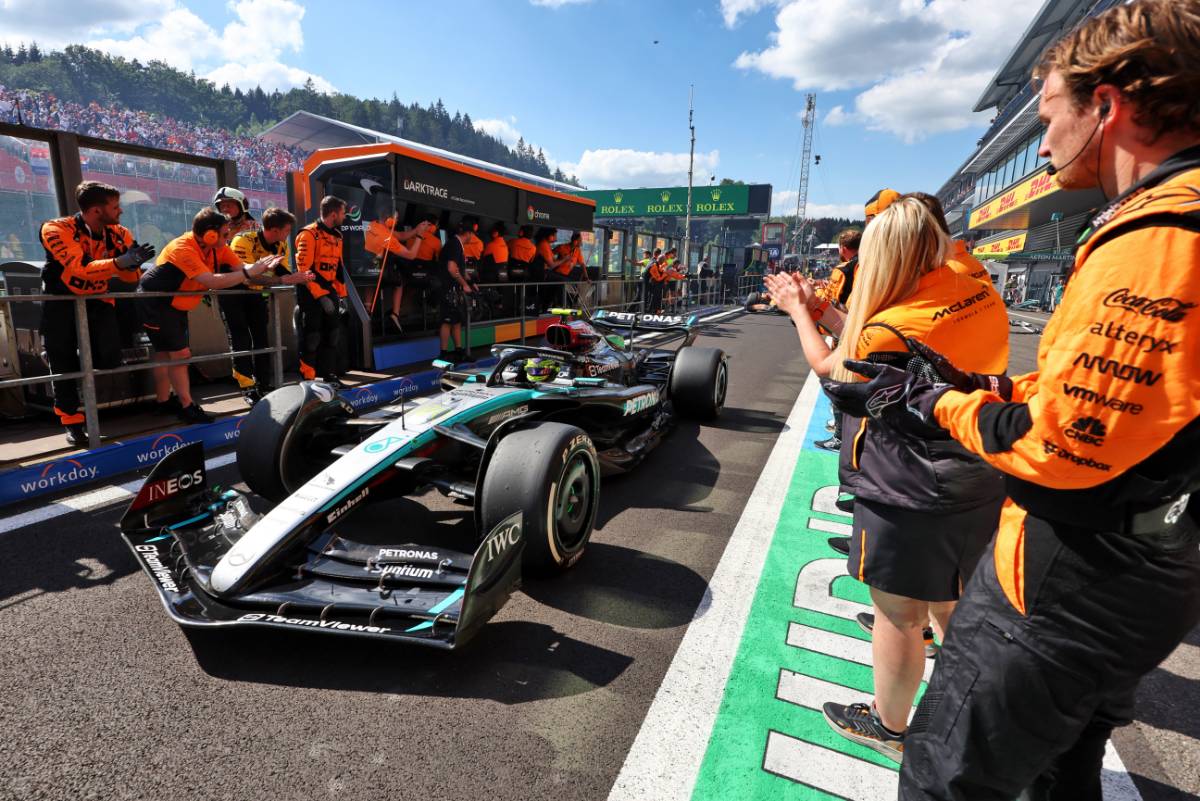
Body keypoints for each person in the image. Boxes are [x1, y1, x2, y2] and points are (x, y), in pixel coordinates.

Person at [823, 2, 1200, 796]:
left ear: (1109, 105)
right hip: (1155, 555)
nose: (1046, 141)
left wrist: (934, 402)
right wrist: (986, 383)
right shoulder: (1157, 221)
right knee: (1062, 770)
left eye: (1050, 115)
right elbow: (1110, 390)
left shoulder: (1159, 235)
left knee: (943, 774)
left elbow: (1058, 438)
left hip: (1076, 565)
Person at [766, 197, 1009, 764]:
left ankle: (889, 724)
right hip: (977, 466)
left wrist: (801, 312)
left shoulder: (888, 327)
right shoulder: (972, 282)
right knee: (953, 605)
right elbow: (895, 346)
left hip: (911, 480)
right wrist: (826, 310)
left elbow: (835, 368)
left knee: (900, 613)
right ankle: (969, 716)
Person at [139, 209, 285, 423]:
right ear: (209, 235)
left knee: (165, 354)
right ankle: (186, 406)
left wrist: (258, 268)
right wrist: (250, 272)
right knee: (179, 355)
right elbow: (213, 281)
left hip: (176, 304)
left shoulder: (218, 247)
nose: (228, 238)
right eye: (226, 234)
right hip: (157, 304)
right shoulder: (183, 248)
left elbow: (240, 267)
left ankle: (163, 402)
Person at [39, 181, 155, 446]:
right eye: (115, 207)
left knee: (110, 358)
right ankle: (72, 423)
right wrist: (119, 263)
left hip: (98, 299)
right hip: (60, 301)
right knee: (62, 364)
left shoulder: (120, 232)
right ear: (95, 211)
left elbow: (132, 276)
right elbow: (79, 267)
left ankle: (67, 358)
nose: (120, 212)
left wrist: (129, 264)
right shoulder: (56, 228)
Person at [227, 207, 313, 403]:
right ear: (274, 230)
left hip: (257, 295)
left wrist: (298, 278)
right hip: (232, 294)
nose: (288, 235)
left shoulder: (281, 246)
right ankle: (247, 387)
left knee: (261, 338)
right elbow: (246, 278)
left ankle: (264, 384)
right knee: (240, 339)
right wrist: (283, 280)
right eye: (286, 231)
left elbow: (282, 273)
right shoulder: (243, 240)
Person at [295, 195, 350, 386]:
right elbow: (304, 271)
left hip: (330, 290)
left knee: (333, 333)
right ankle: (308, 378)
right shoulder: (308, 234)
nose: (344, 217)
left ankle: (329, 375)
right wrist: (320, 297)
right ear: (333, 214)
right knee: (312, 336)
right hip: (309, 293)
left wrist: (342, 295)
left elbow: (339, 268)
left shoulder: (338, 236)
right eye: (343, 213)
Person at [378, 216, 435, 333]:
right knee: (400, 282)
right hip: (389, 274)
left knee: (370, 281)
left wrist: (416, 230)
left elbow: (401, 236)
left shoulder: (377, 228)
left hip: (372, 272)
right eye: (395, 218)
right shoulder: (437, 241)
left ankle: (369, 308)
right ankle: (396, 313)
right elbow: (411, 254)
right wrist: (419, 234)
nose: (397, 221)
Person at [436, 218, 478, 362]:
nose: (472, 237)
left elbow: (460, 269)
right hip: (448, 289)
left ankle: (459, 351)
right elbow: (452, 268)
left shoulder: (457, 245)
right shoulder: (454, 244)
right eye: (472, 233)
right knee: (447, 321)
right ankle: (443, 354)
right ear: (468, 233)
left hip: (453, 289)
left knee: (457, 321)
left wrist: (471, 283)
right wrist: (464, 285)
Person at [508, 225, 536, 312]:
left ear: (521, 232)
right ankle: (522, 309)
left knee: (512, 291)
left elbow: (507, 251)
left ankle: (512, 309)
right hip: (525, 272)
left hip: (512, 271)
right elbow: (531, 260)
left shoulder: (513, 242)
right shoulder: (533, 248)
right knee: (523, 291)